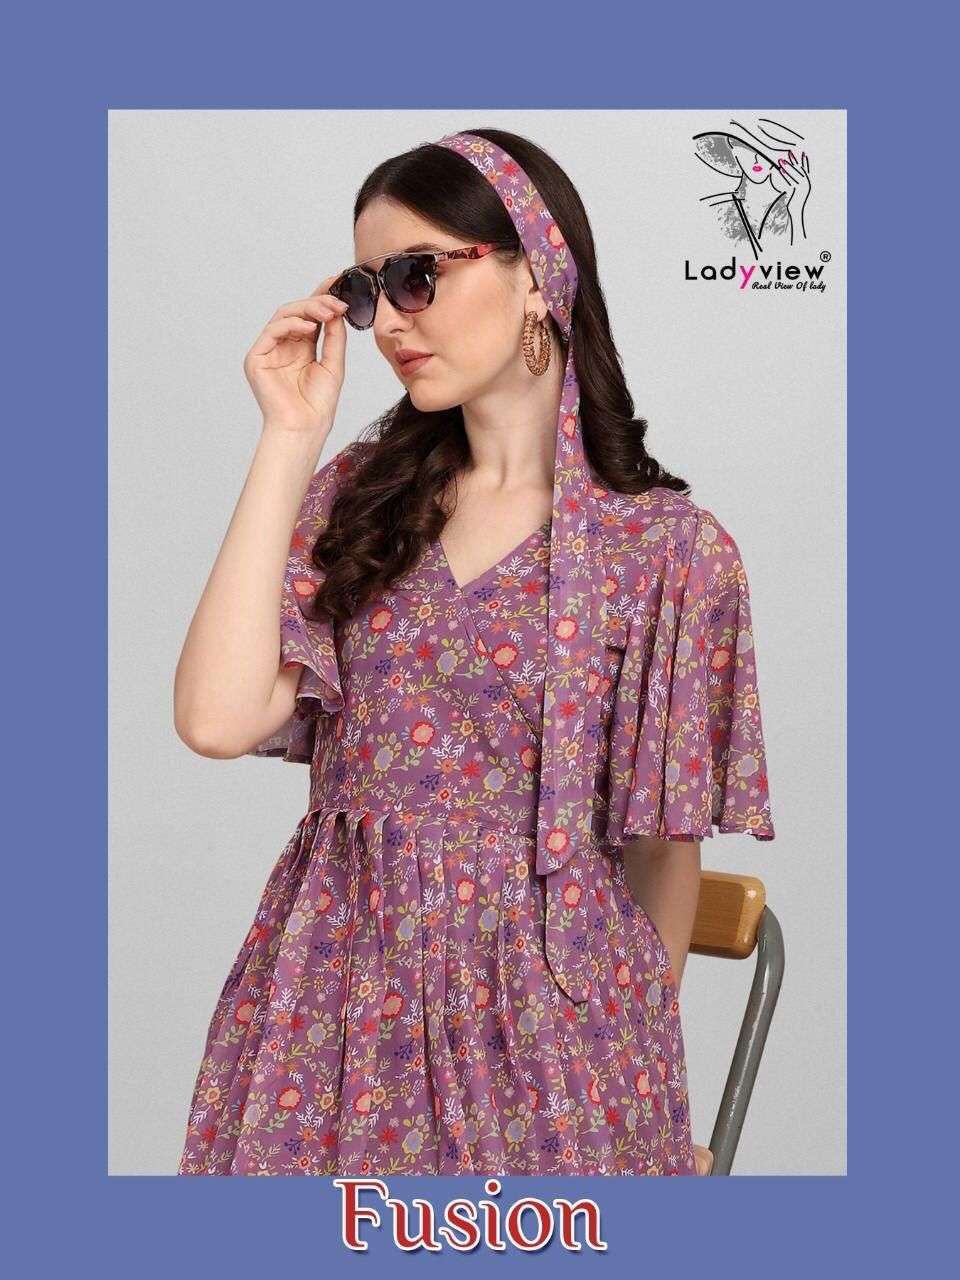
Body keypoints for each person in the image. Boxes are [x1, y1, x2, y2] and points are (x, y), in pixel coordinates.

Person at [174, 128, 775, 1177]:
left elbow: (660, 851)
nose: (390, 320)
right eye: (368, 291)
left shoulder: (671, 554)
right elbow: (216, 719)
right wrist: (288, 437)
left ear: (536, 272)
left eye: (418, 275)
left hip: (552, 1028)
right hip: (333, 1004)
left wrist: (637, 1091)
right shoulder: (361, 498)